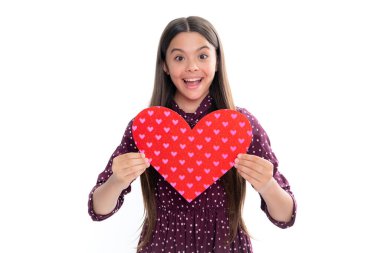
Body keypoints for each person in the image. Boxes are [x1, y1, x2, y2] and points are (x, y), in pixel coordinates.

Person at [88, 16, 296, 252]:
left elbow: (286, 216)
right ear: (165, 65)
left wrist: (267, 185)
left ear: (217, 61)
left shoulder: (241, 125)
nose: (192, 67)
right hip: (162, 246)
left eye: (203, 56)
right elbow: (98, 209)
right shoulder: (147, 126)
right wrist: (117, 180)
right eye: (179, 57)